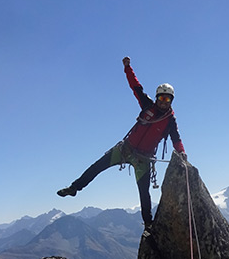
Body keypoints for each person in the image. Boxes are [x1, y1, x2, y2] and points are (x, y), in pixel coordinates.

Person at [57, 57, 186, 230]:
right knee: (97, 167)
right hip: (126, 149)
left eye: (167, 99)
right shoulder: (147, 105)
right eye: (162, 97)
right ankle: (74, 188)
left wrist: (182, 153)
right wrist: (127, 67)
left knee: (144, 192)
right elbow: (135, 87)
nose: (164, 102)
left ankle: (148, 224)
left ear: (171, 101)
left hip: (143, 158)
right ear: (157, 98)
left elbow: (176, 138)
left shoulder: (170, 120)